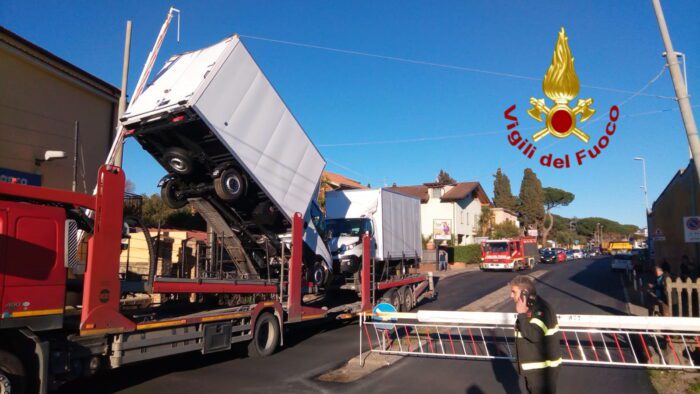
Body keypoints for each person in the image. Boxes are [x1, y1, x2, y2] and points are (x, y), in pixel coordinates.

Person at [509, 275, 562, 394]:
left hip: (542, 372)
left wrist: (521, 315)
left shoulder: (540, 309)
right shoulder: (531, 308)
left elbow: (534, 334)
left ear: (525, 292)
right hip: (535, 370)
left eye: (514, 292)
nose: (511, 296)